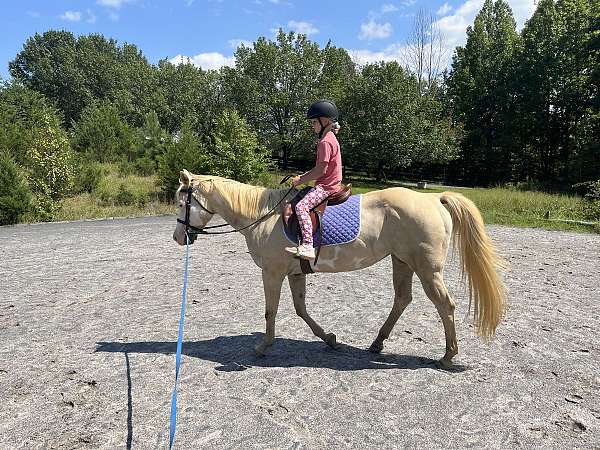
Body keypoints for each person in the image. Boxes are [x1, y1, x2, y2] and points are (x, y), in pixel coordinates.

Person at [285, 100, 343, 260]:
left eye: (313, 122)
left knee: (301, 207)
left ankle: (308, 246)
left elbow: (320, 170)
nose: (312, 125)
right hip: (329, 182)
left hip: (327, 187)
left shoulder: (325, 142)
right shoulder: (330, 137)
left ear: (325, 122)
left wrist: (301, 179)